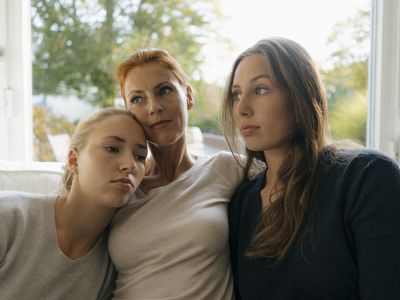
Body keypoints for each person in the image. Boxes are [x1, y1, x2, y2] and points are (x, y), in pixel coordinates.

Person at [222, 37, 400, 299]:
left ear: (300, 96)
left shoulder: (367, 178)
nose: (241, 108)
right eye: (236, 94)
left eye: (260, 89)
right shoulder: (241, 204)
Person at [108, 48, 243, 299]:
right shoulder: (122, 184)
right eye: (137, 99)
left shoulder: (225, 169)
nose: (154, 107)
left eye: (164, 90)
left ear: (188, 96)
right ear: (128, 111)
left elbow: (292, 169)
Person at [0, 108, 148, 300]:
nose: (130, 164)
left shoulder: (119, 263)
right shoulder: (8, 217)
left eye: (140, 156)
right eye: (112, 148)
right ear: (74, 160)